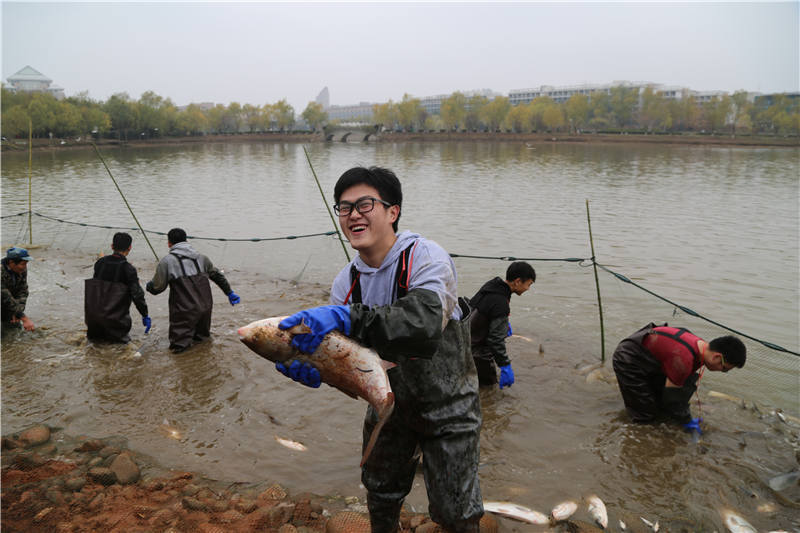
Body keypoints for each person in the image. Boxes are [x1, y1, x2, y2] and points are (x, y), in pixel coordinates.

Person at [275, 166, 483, 532]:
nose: (353, 213)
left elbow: (423, 326)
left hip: (449, 406)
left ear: (393, 211)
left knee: (456, 511)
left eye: (365, 204)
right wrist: (317, 368)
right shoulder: (346, 282)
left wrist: (348, 317)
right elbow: (350, 360)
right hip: (387, 406)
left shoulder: (425, 257)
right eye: (344, 207)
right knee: (380, 492)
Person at [612, 323, 746, 430]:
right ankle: (636, 437)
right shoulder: (684, 359)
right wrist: (688, 422)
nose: (721, 371)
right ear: (717, 356)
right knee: (646, 416)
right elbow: (673, 400)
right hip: (628, 359)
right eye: (724, 369)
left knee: (660, 405)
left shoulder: (700, 347)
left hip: (649, 356)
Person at [145, 228, 240, 353]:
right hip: (205, 308)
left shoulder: (167, 261)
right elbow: (217, 276)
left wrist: (149, 286)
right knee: (203, 343)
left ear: (169, 243)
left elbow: (158, 288)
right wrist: (229, 292)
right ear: (186, 240)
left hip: (184, 311)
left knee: (179, 348)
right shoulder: (202, 258)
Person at [469, 261, 536, 388]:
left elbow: (476, 307)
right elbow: (495, 340)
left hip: (466, 342)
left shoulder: (492, 286)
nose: (528, 289)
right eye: (528, 284)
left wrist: (503, 324)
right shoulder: (501, 302)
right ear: (517, 282)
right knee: (489, 389)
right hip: (478, 352)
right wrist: (505, 365)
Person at [85, 232, 151, 343]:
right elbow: (137, 295)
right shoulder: (128, 269)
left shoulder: (100, 263)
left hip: (93, 319)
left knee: (95, 345)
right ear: (130, 248)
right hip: (115, 322)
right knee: (118, 349)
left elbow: (97, 289)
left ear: (112, 246)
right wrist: (145, 314)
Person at [1, 247, 35, 333]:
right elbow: (5, 297)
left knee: (13, 329)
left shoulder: (21, 269)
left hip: (9, 303)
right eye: (23, 264)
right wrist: (24, 318)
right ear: (11, 262)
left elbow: (23, 290)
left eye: (26, 264)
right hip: (3, 299)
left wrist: (18, 313)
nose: (25, 267)